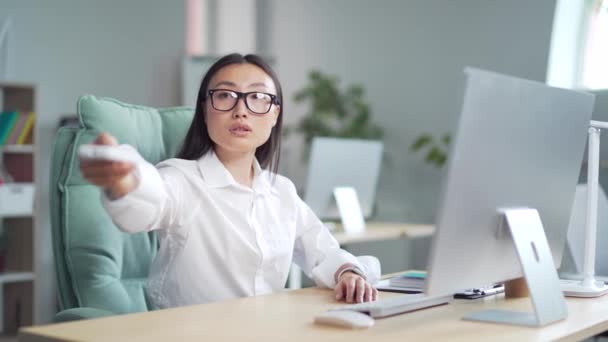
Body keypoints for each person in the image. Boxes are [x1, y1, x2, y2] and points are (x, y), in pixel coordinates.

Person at [79, 53, 380, 309]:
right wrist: (125, 179)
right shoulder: (182, 179)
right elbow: (150, 198)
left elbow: (322, 251)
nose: (241, 110)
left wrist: (348, 273)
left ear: (275, 114)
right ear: (206, 110)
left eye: (258, 98)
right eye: (225, 95)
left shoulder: (281, 191)